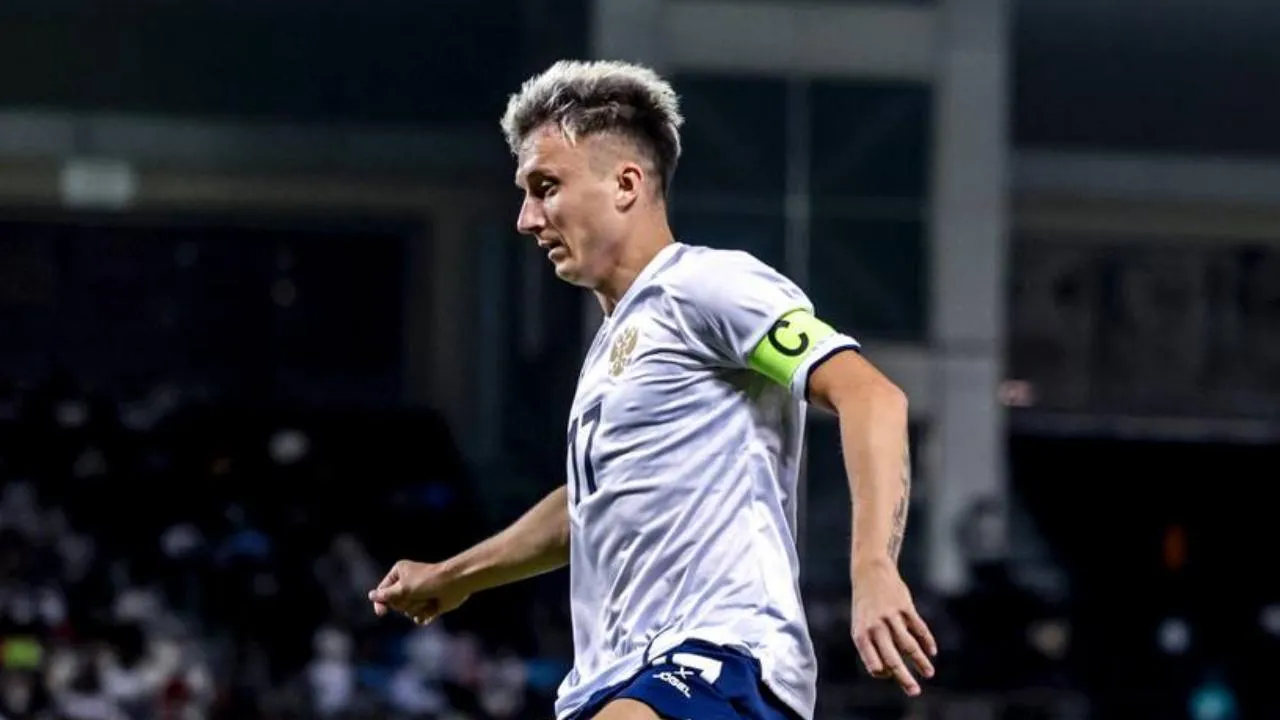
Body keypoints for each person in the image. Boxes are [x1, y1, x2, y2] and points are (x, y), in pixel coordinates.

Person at [369, 59, 937, 720]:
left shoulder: (708, 285)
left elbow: (871, 396)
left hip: (721, 657)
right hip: (614, 676)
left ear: (626, 184)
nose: (526, 218)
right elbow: (587, 506)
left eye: (545, 187)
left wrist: (873, 567)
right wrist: (452, 576)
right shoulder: (611, 350)